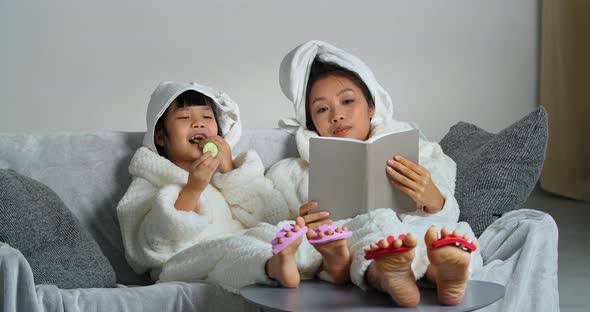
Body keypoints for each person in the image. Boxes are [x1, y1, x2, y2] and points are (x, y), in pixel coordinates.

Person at [265, 40, 483, 307]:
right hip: (363, 244)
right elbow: (275, 229)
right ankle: (393, 274)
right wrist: (304, 225)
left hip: (419, 231)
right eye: (322, 109)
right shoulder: (292, 173)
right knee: (372, 231)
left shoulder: (421, 152)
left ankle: (442, 272)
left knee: (456, 233)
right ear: (311, 122)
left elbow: (450, 213)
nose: (337, 115)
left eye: (347, 101)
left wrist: (436, 200)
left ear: (371, 107)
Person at [116, 81, 291, 281]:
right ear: (160, 137)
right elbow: (153, 242)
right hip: (187, 264)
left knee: (279, 234)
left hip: (241, 246)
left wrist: (230, 171)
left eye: (207, 116)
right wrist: (192, 190)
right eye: (184, 117)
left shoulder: (222, 179)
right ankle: (272, 266)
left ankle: (312, 261)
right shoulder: (150, 179)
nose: (198, 123)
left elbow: (270, 215)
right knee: (239, 249)